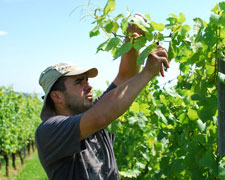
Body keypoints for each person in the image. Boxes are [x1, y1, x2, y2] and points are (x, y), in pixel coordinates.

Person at [35, 14, 169, 180]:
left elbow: (126, 76)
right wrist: (148, 72)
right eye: (79, 82)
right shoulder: (49, 131)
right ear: (57, 97)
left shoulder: (93, 111)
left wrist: (132, 38)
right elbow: (100, 117)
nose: (89, 85)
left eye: (87, 80)